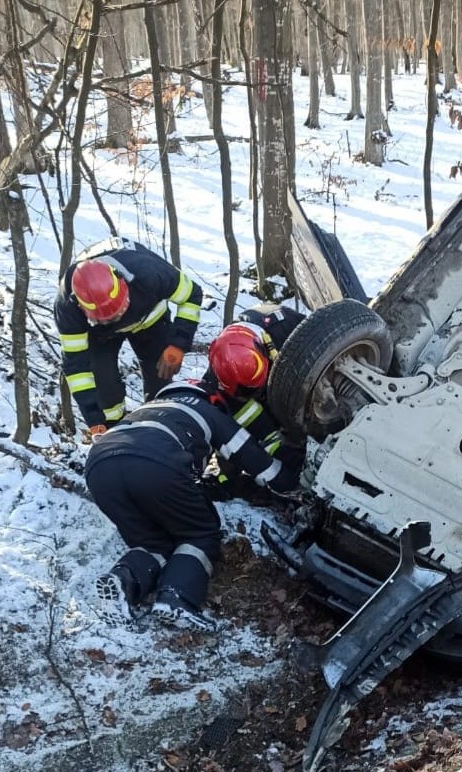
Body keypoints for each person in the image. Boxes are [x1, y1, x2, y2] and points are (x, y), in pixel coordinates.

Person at [85, 379, 300, 631]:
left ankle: (123, 582)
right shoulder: (208, 410)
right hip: (156, 465)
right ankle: (177, 597)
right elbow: (259, 463)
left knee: (154, 542)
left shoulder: (147, 409)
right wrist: (296, 488)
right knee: (201, 534)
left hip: (99, 468)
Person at [54, 237, 203, 436]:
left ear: (123, 283)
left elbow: (192, 294)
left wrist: (178, 343)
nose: (116, 318)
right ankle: (116, 430)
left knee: (159, 379)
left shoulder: (149, 272)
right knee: (104, 387)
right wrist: (95, 420)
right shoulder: (68, 307)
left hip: (150, 321)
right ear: (81, 306)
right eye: (108, 317)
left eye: (118, 311)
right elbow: (76, 368)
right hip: (101, 335)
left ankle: (157, 428)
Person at [203, 304, 306, 495]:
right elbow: (215, 420)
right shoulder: (220, 367)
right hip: (254, 398)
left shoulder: (289, 327)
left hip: (297, 383)